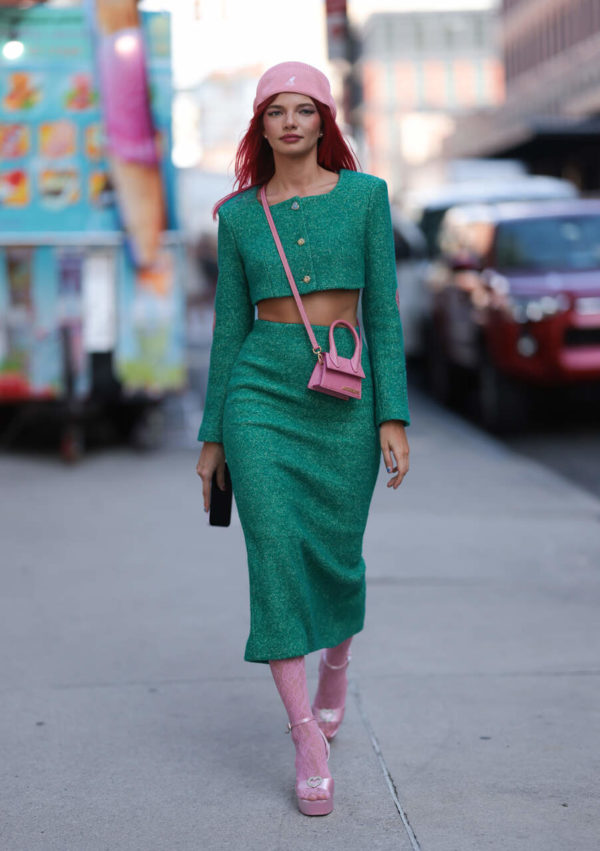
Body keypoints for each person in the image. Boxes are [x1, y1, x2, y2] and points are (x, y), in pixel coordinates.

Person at [196, 61, 410, 817]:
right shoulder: (240, 215)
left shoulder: (365, 198)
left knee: (338, 555)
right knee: (276, 556)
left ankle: (338, 660)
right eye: (275, 111)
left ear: (324, 121)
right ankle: (304, 737)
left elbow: (382, 311)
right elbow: (228, 328)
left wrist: (393, 415)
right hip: (261, 392)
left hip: (344, 392)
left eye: (303, 109)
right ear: (260, 125)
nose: (290, 122)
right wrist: (214, 433)